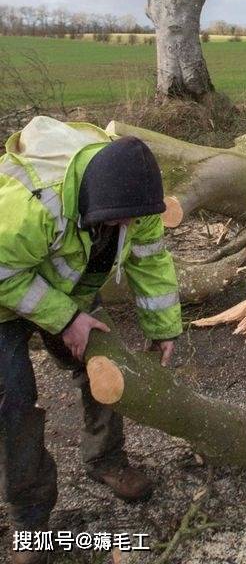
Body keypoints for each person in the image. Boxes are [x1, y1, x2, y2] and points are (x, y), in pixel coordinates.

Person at [0, 117, 181, 564]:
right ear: (88, 199)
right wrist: (65, 319)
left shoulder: (137, 197)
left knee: (105, 368)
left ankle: (106, 459)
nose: (128, 225)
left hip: (69, 286)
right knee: (13, 400)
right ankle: (30, 520)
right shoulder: (32, 205)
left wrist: (162, 328)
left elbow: (151, 263)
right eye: (115, 220)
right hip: (4, 291)